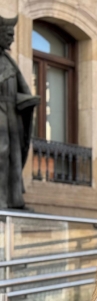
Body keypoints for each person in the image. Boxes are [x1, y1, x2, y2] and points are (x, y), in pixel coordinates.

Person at [0, 15, 39, 210]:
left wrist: (29, 100)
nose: (12, 39)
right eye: (8, 35)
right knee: (1, 152)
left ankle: (14, 200)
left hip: (12, 115)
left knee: (15, 156)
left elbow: (22, 89)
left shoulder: (9, 60)